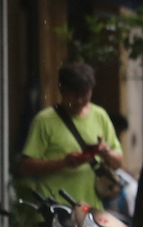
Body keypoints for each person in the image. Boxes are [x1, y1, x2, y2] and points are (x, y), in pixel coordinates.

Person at [18, 61, 124, 210]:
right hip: (54, 209)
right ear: (61, 90)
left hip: (91, 209)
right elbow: (25, 166)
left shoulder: (100, 115)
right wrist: (64, 163)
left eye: (84, 95)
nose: (79, 101)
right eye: (73, 95)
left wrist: (105, 152)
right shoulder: (44, 120)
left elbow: (118, 162)